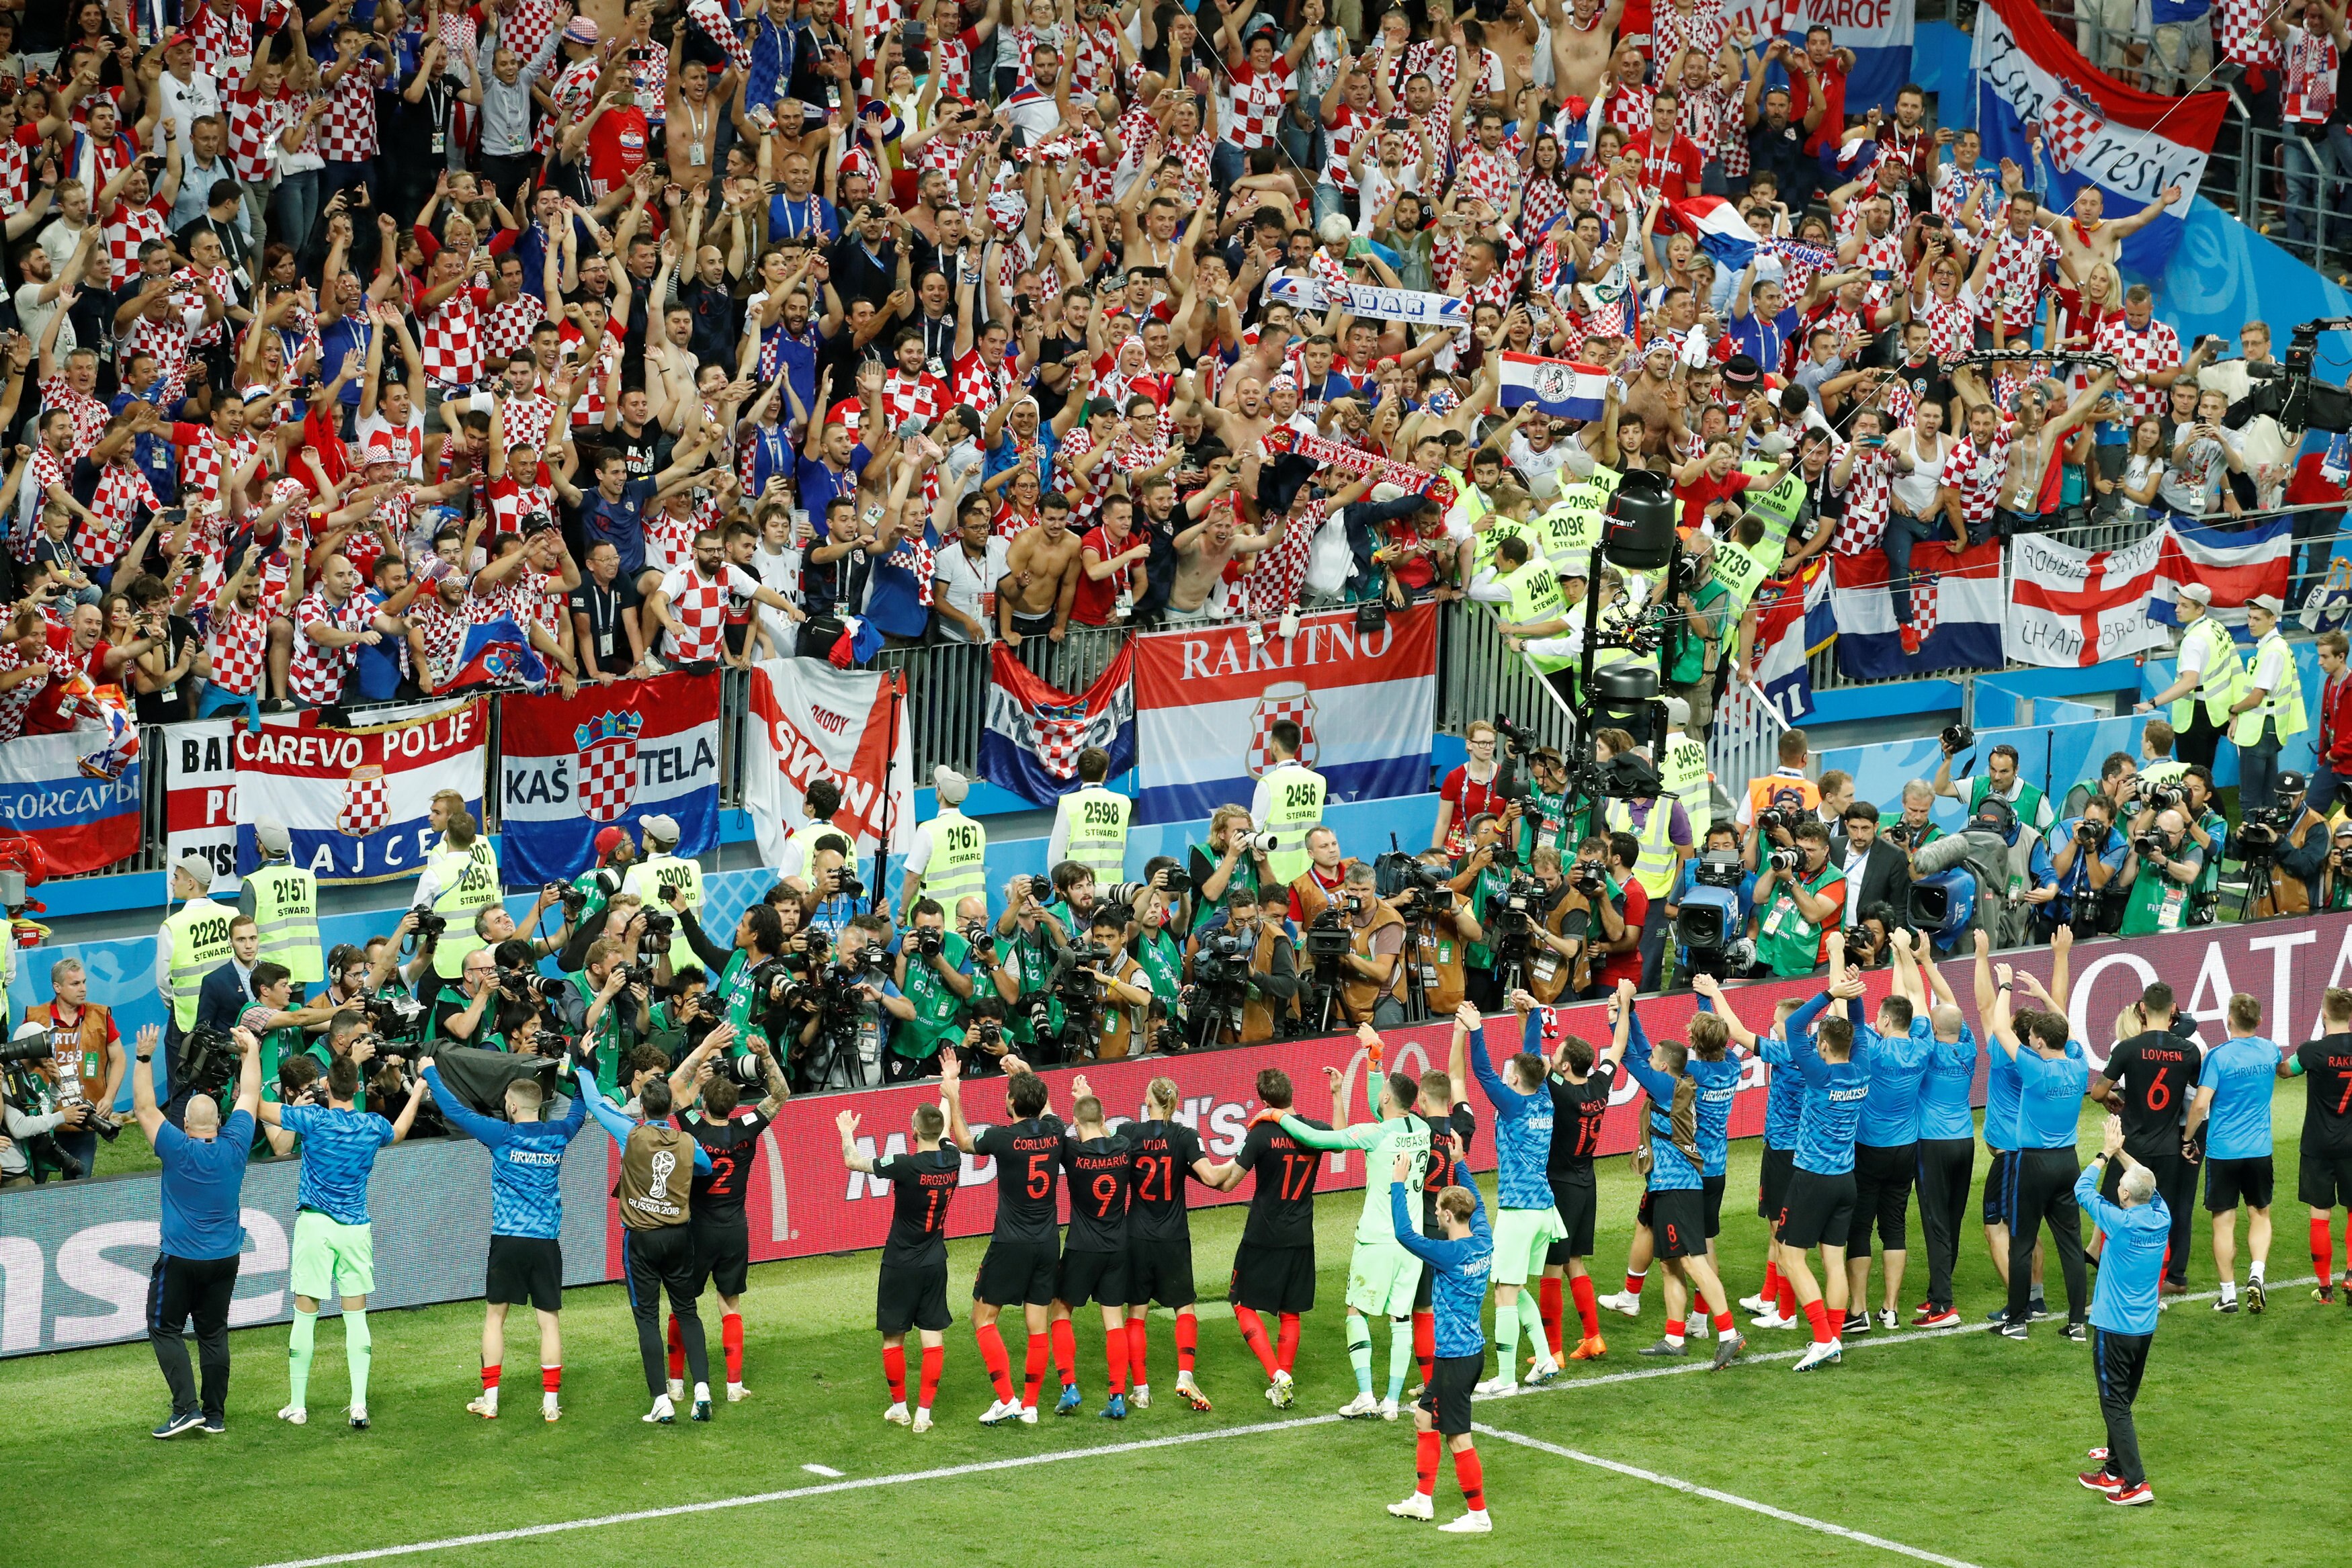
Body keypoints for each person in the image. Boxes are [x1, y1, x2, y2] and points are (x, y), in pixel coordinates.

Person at [257, 1051, 430, 1428]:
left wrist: (254, 1066)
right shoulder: (372, 1126)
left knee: (305, 1315)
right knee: (356, 1318)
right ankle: (358, 1405)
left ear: (326, 1085)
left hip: (315, 1226)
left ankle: (298, 1405)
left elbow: (258, 1109)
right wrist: (416, 1091)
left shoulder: (313, 1119)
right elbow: (399, 1132)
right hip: (355, 1230)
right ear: (356, 1087)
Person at [421, 1053, 591, 1423]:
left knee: (495, 1319)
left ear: (512, 1106)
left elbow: (454, 1109)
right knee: (549, 1322)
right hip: (546, 1241)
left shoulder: (502, 1135)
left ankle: (491, 1400)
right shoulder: (558, 1134)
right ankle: (550, 1404)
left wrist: (430, 1072)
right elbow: (580, 1109)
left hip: (508, 1239)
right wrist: (579, 1074)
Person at [1276, 1024, 1433, 1420]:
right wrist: (1374, 1059)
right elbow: (1380, 1106)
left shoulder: (1373, 1134)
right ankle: (1393, 1402)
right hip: (1411, 1242)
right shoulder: (1424, 1130)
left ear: (1386, 1098)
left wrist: (1277, 1116)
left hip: (1377, 1240)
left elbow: (1315, 1139)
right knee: (1400, 1320)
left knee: (1355, 1311)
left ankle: (1366, 1394)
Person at [573, 1052, 716, 1423]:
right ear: (670, 1107)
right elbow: (706, 1168)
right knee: (688, 1312)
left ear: (642, 1107)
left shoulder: (631, 1133)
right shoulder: (686, 1142)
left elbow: (593, 1102)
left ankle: (661, 1401)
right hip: (679, 1237)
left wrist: (584, 1066)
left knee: (647, 1319)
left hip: (641, 1240)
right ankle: (702, 1389)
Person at [134, 1020, 258, 1438]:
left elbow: (145, 1110)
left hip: (182, 1260)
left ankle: (186, 1408)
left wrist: (144, 1058)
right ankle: (216, 1415)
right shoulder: (236, 1144)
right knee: (213, 1332)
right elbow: (252, 1095)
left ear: (186, 1125)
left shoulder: (176, 1148)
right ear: (217, 1124)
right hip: (225, 1258)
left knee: (164, 1328)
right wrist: (251, 1052)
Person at [1615, 982, 1745, 1368]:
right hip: (1707, 1170)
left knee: (1693, 1259)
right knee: (1678, 1259)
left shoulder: (1679, 1080)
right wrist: (1705, 998)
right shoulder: (1729, 1067)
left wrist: (1625, 1011)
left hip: (1684, 1178)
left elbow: (1637, 1058)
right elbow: (1708, 1035)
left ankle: (1727, 1332)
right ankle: (1679, 1334)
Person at [940, 1053, 1064, 1426]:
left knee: (983, 1318)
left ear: (1010, 1102)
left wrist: (954, 1095)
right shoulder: (1056, 1133)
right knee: (1037, 1325)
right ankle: (1030, 1404)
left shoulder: (1001, 1138)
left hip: (1010, 1242)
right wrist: (1028, 1073)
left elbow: (962, 1141)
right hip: (1047, 1242)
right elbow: (1049, 1111)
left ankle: (1007, 1398)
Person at [1452, 1000, 1566, 1395]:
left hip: (1519, 1212)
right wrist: (1533, 1014)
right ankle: (1546, 1357)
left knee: (1502, 1288)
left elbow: (1482, 1073)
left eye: (1510, 1072)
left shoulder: (1516, 1105)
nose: (1507, 1073)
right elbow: (1533, 1056)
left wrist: (1476, 1029)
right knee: (1515, 1289)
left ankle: (1505, 1378)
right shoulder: (1543, 1098)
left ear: (1515, 1079)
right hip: (1544, 1210)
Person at [1384, 1139, 1494, 1534]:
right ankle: (1423, 1500)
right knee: (1424, 1417)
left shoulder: (1450, 1254)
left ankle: (1479, 1516)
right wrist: (1461, 1164)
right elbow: (1478, 1202)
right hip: (1468, 1353)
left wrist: (1398, 1183)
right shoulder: (1483, 1237)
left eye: (1437, 1212)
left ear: (1449, 1216)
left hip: (1455, 1357)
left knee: (1458, 1438)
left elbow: (1404, 1235)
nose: (1435, 1216)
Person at [673, 1027, 788, 1403]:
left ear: (704, 1102)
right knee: (731, 1303)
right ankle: (735, 1385)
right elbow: (781, 1094)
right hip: (735, 1228)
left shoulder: (694, 1126)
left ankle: (675, 1383)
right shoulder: (747, 1127)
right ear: (736, 1104)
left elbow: (675, 1088)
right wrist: (766, 1056)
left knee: (683, 1304)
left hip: (699, 1228)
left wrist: (704, 1049)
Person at [1205, 1066, 1329, 1408]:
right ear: (1291, 1094)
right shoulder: (1313, 1130)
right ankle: (1283, 1381)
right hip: (1301, 1234)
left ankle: (1276, 1374)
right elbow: (1343, 1137)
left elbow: (1228, 1183)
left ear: (1263, 1100)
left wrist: (1208, 1172)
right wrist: (1335, 1095)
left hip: (1263, 1234)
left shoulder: (1260, 1135)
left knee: (1242, 1302)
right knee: (1290, 1311)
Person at [837, 1096, 962, 1433]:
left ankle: (899, 1408)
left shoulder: (905, 1165)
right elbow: (944, 1123)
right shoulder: (953, 1159)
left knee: (894, 1338)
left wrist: (847, 1131)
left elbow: (852, 1162)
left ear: (914, 1131)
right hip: (935, 1260)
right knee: (932, 1338)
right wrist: (948, 1091)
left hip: (900, 1262)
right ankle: (924, 1413)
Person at [1989, 961, 2091, 1342]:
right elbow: (2066, 1027)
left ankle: (2016, 1321)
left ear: (2041, 1044)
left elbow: (2000, 1028)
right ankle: (2078, 1323)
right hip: (2069, 1163)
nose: (2029, 1040)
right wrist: (2046, 997)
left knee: (2021, 1242)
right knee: (2070, 1244)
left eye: (2033, 1036)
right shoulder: (2079, 1065)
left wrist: (2006, 987)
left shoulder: (2034, 1068)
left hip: (2033, 1164)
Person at [2073, 1114, 2170, 1508]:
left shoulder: (2119, 1221)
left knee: (2114, 1403)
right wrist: (2122, 1153)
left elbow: (2082, 1189)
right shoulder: (2161, 1216)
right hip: (2144, 1327)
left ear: (2126, 1197)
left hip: (2113, 1327)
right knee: (2123, 1400)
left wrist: (2104, 1153)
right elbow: (2150, 1182)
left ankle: (2136, 1482)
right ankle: (2112, 1470)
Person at [2093, 981, 2203, 1301]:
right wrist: (2188, 1138)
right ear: (2172, 1010)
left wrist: (2111, 1096)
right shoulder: (2188, 1051)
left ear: (2142, 1008)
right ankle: (2152, 1294)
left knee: (2113, 1214)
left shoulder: (2127, 1049)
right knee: (2160, 1218)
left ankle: (2111, 1289)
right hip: (2168, 1148)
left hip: (2130, 1147)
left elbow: (2098, 1091)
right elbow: (2198, 1095)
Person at [1124, 1074, 1225, 1413]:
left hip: (1136, 1235)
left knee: (1136, 1314)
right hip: (1173, 1237)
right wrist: (1241, 1161)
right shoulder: (1185, 1137)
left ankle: (1140, 1390)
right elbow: (1211, 1178)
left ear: (1149, 1102)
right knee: (1184, 1308)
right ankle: (1185, 1375)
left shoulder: (1130, 1134)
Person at [2183, 992, 2282, 1314]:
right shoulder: (2270, 1050)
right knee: (2260, 1213)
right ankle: (2257, 1274)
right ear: (2259, 1022)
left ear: (2228, 1020)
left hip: (2224, 1152)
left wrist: (2187, 1137)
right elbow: (2281, 1069)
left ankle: (2228, 1296)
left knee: (2223, 1222)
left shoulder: (2218, 1057)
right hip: (2259, 1150)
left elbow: (2200, 1104)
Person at [1044, 1075, 1136, 1419]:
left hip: (1082, 1246)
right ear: (1103, 1118)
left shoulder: (1074, 1151)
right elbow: (1104, 1131)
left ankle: (1069, 1387)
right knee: (1114, 1321)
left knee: (1060, 1310)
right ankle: (1116, 1398)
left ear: (1076, 1124)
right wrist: (1091, 1098)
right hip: (1117, 1247)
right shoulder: (1123, 1146)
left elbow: (1055, 1125)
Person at [2282, 987, 2352, 1303]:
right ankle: (2351, 1275)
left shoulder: (2311, 1052)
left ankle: (2325, 1290)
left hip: (2318, 1144)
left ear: (2324, 1014)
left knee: (2320, 1215)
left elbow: (2284, 1071)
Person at [2133, 582, 2240, 772]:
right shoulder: (2216, 627)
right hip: (2217, 713)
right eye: (2178, 604)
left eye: (2184, 606)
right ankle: (2210, 802)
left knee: (2193, 779)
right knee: (2204, 776)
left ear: (2200, 610)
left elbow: (2189, 682)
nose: (2177, 609)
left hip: (2196, 717)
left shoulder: (2194, 640)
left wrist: (2152, 703)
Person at [156, 853, 236, 1090]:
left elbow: (163, 980)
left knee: (181, 1084)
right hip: (228, 1015)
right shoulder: (231, 914)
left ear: (190, 883)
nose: (172, 882)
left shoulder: (174, 925)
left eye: (176, 877)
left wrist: (175, 1004)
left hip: (187, 1018)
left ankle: (178, 1126)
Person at [2227, 593, 2302, 812]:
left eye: (2257, 619)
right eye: (2249, 618)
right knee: (2269, 798)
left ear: (2272, 620)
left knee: (2250, 799)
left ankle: (2251, 843)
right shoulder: (2277, 647)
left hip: (2258, 730)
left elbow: (2256, 698)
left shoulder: (2272, 651)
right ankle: (2271, 841)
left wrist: (2233, 710)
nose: (2250, 623)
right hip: (2269, 728)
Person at [900, 767, 989, 923]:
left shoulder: (928, 830)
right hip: (972, 918)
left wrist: (903, 912)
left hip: (937, 919)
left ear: (940, 792)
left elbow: (913, 877)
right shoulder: (978, 829)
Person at [239, 818, 322, 985]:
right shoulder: (308, 878)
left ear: (261, 845)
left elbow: (243, 932)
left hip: (269, 974)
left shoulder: (254, 883)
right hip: (303, 967)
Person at [1251, 718, 1327, 888]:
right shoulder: (1319, 781)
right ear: (1297, 746)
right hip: (1310, 875)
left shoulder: (1268, 783)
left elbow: (1254, 830)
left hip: (1277, 876)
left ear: (1275, 745)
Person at [1045, 746, 1130, 885]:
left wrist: (1061, 888)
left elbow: (1056, 856)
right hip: (1114, 887)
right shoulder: (1123, 802)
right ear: (1105, 773)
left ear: (1079, 771)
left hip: (1080, 888)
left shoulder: (1069, 802)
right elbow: (1122, 849)